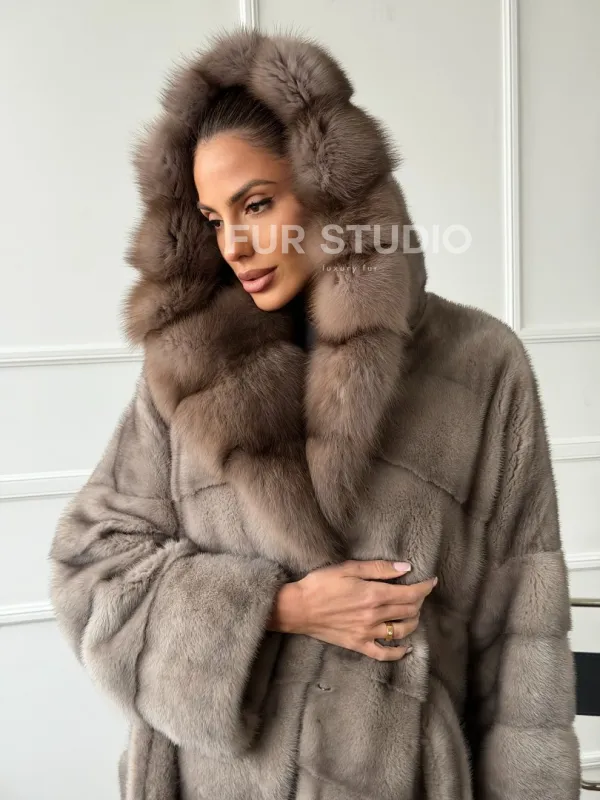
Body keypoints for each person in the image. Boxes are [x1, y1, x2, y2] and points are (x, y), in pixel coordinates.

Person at [48, 28, 580, 800]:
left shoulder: (479, 365)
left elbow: (521, 645)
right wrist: (278, 608)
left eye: (256, 204)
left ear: (332, 194)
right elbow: (89, 565)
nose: (234, 245)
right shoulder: (187, 369)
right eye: (213, 218)